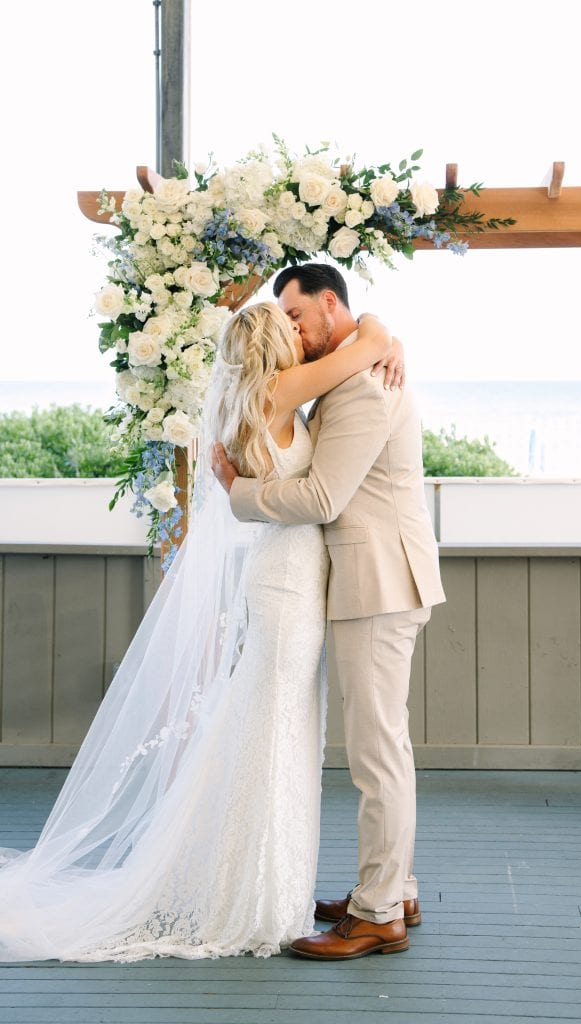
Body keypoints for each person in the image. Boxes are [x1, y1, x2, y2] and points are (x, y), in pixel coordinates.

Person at [0, 301, 400, 963]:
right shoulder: (278, 391)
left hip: (284, 572)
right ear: (276, 346)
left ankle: (256, 882)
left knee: (273, 728)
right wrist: (382, 330)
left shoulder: (248, 399)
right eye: (294, 328)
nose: (305, 337)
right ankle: (250, 897)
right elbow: (362, 350)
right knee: (273, 731)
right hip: (287, 580)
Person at [211, 263, 446, 961]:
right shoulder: (349, 368)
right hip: (365, 578)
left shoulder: (364, 389)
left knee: (376, 755)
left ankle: (377, 913)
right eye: (281, 319)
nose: (293, 328)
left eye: (297, 314)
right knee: (383, 748)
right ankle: (391, 887)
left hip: (378, 582)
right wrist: (378, 334)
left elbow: (321, 501)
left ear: (329, 303)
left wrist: (240, 496)